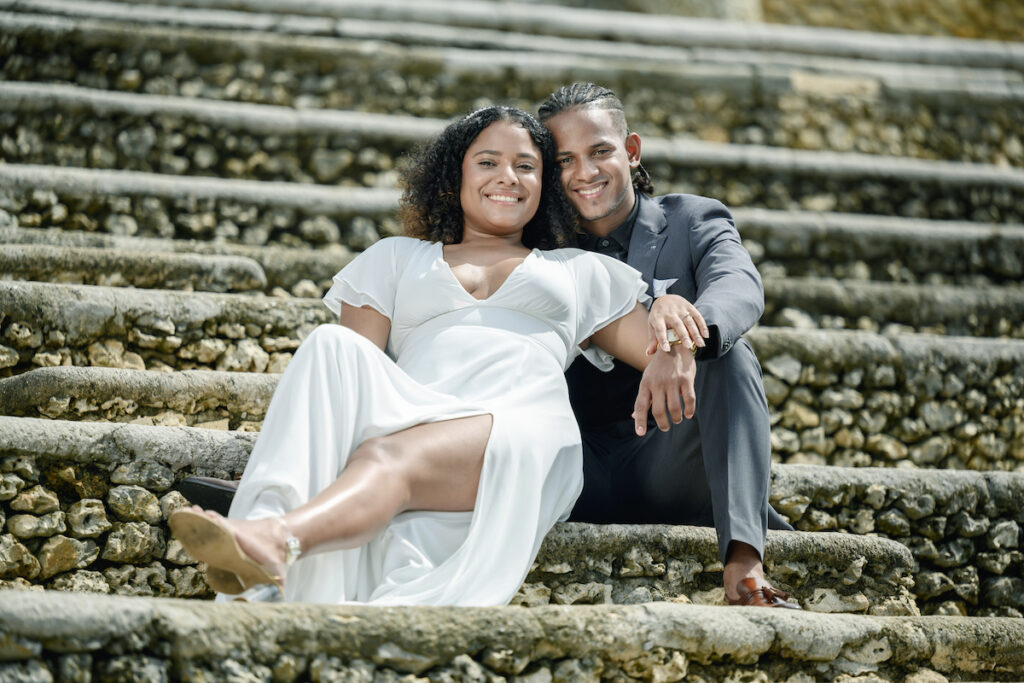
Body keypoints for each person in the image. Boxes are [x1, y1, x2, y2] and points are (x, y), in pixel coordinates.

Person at [169, 106, 659, 606]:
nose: (507, 177)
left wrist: (675, 313)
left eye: (526, 166)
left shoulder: (579, 271)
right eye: (487, 162)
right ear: (456, 176)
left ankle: (277, 540)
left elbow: (665, 354)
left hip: (521, 424)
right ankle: (267, 515)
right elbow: (347, 389)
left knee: (385, 455)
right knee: (330, 345)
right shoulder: (396, 257)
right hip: (418, 410)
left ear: (545, 184)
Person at [538, 83, 799, 609]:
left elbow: (739, 288)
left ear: (631, 151)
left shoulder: (692, 219)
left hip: (667, 459)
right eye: (564, 159)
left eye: (600, 151)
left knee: (732, 358)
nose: (583, 172)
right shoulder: (537, 243)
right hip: (569, 464)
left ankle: (745, 564)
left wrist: (680, 336)